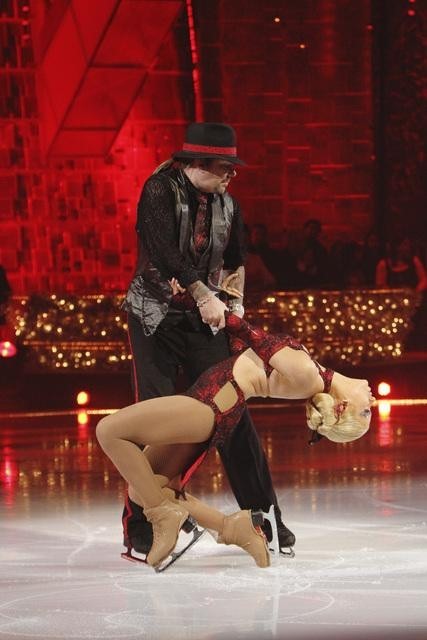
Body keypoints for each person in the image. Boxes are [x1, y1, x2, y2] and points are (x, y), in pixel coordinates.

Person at [120, 122, 295, 559]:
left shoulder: (228, 205)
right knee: (153, 419)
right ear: (196, 163)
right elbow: (164, 253)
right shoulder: (159, 191)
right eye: (224, 167)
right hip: (154, 319)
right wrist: (201, 294)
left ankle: (263, 514)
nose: (231, 175)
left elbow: (236, 259)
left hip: (205, 323)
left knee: (231, 412)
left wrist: (233, 302)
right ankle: (143, 523)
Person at [96, 312, 374, 571]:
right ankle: (234, 528)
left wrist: (221, 310)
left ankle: (163, 515)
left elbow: (254, 337)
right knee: (144, 488)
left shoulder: (308, 375)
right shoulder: (311, 373)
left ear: (341, 407)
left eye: (366, 411)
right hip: (213, 406)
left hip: (208, 407)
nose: (372, 400)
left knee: (108, 431)